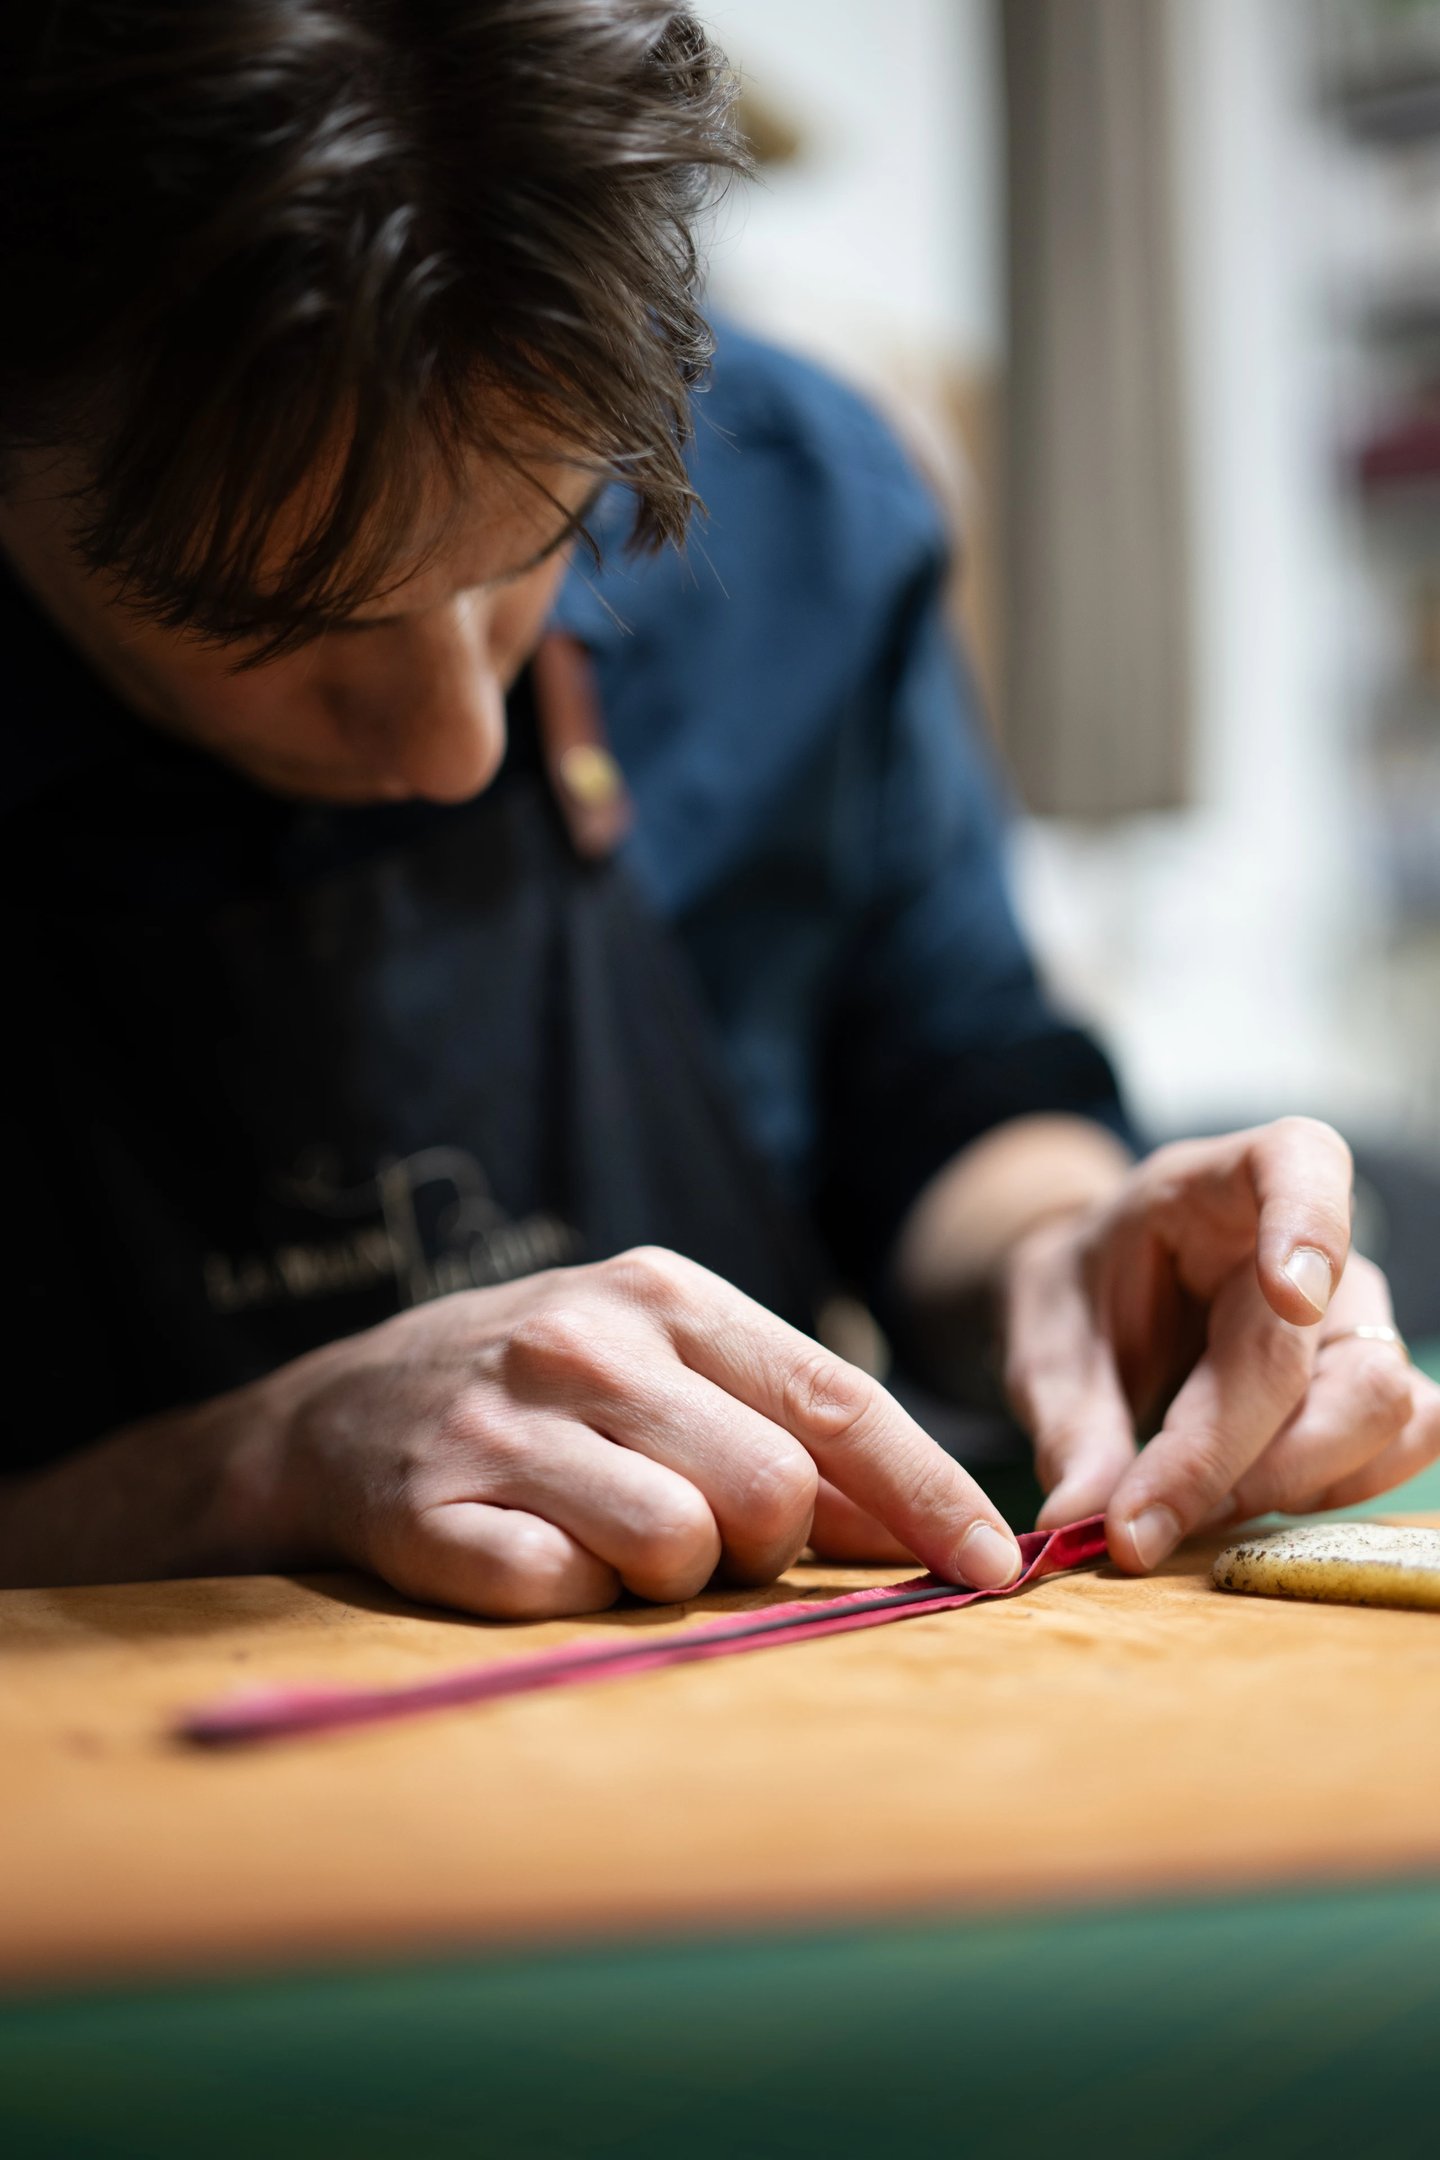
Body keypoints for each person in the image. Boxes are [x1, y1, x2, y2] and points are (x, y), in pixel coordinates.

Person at [0, 0, 1433, 1618]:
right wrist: (252, 1464)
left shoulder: (799, 499)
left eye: (526, 558)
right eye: (279, 626)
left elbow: (945, 1081)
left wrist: (1078, 1268)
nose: (453, 746)